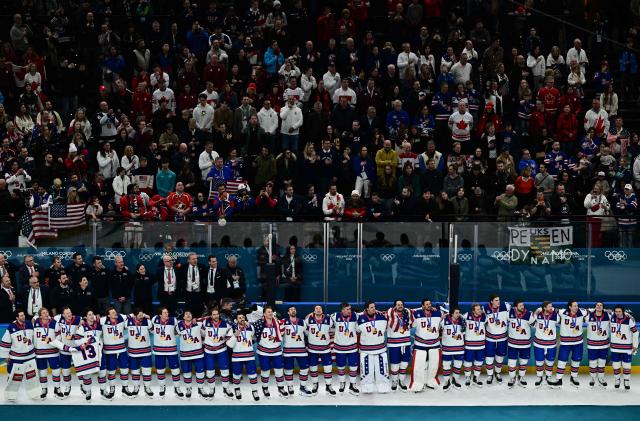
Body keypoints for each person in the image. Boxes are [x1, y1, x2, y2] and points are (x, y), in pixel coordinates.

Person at [0, 309, 40, 401]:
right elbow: (5, 343)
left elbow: (34, 337)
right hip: (16, 357)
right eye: (21, 316)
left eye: (23, 315)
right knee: (13, 377)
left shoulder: (29, 324)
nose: (23, 317)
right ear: (17, 317)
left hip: (30, 355)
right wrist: (6, 356)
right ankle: (10, 395)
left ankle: (34, 393)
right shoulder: (11, 327)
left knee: (32, 376)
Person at [549, 301, 588, 387]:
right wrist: (540, 309)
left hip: (578, 342)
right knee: (562, 361)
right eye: (574, 306)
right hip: (565, 343)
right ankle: (559, 379)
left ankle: (573, 378)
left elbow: (590, 311)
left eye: (577, 306)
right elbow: (552, 309)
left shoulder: (582, 312)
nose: (576, 307)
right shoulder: (563, 312)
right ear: (570, 307)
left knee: (576, 360)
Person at [252, 305, 286, 397]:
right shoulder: (259, 323)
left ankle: (281, 388)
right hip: (263, 352)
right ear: (264, 314)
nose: (270, 313)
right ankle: (265, 388)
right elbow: (252, 331)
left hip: (276, 351)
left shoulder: (278, 322)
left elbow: (282, 333)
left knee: (279, 370)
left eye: (271, 312)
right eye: (268, 312)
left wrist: (278, 322)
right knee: (265, 371)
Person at [357, 301, 390, 394]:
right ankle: (367, 388)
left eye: (374, 307)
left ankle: (383, 387)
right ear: (367, 309)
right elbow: (357, 330)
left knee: (382, 370)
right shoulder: (360, 318)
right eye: (371, 307)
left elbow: (394, 312)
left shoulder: (382, 316)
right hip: (366, 350)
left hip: (381, 349)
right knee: (367, 371)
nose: (374, 309)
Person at [409, 298, 442, 391]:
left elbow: (443, 322)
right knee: (418, 365)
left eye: (430, 304)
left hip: (435, 343)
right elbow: (408, 316)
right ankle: (418, 384)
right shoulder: (416, 313)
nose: (429, 305)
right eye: (426, 304)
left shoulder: (438, 313)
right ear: (422, 306)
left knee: (434, 365)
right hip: (420, 344)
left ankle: (431, 381)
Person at [150, 307, 183, 398]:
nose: (167, 314)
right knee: (160, 370)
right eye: (164, 313)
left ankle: (177, 388)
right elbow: (151, 329)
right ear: (160, 314)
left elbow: (178, 330)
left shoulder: (174, 320)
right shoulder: (154, 319)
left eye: (167, 312)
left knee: (175, 370)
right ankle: (162, 387)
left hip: (171, 350)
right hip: (159, 350)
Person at [227, 311, 260, 401]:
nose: (242, 319)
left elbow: (253, 336)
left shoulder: (250, 327)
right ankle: (237, 389)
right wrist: (234, 336)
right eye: (239, 318)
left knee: (253, 375)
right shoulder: (232, 329)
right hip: (237, 357)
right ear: (236, 320)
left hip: (249, 356)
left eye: (243, 317)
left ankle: (255, 391)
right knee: (236, 375)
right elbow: (229, 344)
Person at [32, 307, 63, 399]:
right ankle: (44, 389)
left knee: (56, 371)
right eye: (44, 313)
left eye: (47, 312)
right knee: (42, 372)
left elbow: (59, 335)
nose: (46, 314)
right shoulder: (35, 322)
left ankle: (57, 389)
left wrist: (53, 341)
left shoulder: (54, 322)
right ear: (40, 315)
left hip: (53, 351)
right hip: (40, 352)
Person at [202, 307, 233, 398]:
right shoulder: (205, 322)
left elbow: (230, 335)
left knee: (225, 370)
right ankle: (212, 389)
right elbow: (201, 332)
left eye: (217, 314)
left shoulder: (225, 324)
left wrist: (226, 339)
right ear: (211, 315)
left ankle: (226, 388)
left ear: (219, 315)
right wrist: (205, 341)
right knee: (210, 372)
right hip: (208, 351)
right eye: (214, 314)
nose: (216, 316)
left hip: (221, 350)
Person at [100, 307, 130, 398]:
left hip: (121, 349)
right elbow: (92, 319)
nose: (115, 314)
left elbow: (132, 315)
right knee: (111, 371)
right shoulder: (103, 320)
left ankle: (125, 388)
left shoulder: (121, 317)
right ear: (108, 315)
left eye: (115, 312)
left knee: (124, 369)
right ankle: (112, 388)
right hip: (109, 350)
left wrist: (144, 315)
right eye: (112, 313)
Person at [281, 306, 312, 396]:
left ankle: (302, 387)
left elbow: (308, 334)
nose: (293, 310)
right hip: (288, 350)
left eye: (294, 309)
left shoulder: (302, 322)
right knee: (288, 370)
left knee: (305, 369)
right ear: (288, 312)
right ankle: (290, 386)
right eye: (291, 309)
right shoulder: (283, 321)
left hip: (301, 350)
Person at [305, 305, 335, 395]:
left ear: (322, 310)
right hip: (312, 349)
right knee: (313, 367)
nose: (318, 310)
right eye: (316, 309)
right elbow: (305, 331)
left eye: (320, 308)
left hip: (325, 348)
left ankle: (328, 386)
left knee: (328, 368)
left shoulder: (328, 319)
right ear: (313, 311)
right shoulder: (308, 320)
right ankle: (315, 384)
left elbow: (334, 329)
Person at [176, 309, 206, 398]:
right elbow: (174, 333)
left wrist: (200, 329)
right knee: (186, 373)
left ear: (192, 316)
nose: (188, 315)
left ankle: (201, 389)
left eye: (190, 314)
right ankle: (188, 389)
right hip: (185, 354)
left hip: (198, 353)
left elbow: (205, 334)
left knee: (200, 373)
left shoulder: (199, 324)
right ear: (183, 317)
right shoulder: (178, 325)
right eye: (186, 314)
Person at [331, 302, 359, 395]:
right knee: (340, 368)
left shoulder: (355, 316)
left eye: (350, 309)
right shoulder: (335, 316)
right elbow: (325, 321)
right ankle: (342, 383)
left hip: (352, 347)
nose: (349, 311)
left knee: (353, 367)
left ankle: (353, 385)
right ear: (342, 310)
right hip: (339, 348)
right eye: (347, 309)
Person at [506, 300, 535, 388]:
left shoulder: (528, 314)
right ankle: (512, 378)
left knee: (523, 362)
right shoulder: (509, 313)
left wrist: (534, 315)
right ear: (515, 307)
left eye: (523, 305)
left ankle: (521, 377)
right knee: (511, 362)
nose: (522, 307)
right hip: (512, 343)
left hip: (525, 344)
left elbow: (534, 325)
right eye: (520, 305)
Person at [125, 309, 153, 397]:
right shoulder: (128, 322)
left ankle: (147, 388)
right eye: (139, 315)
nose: (141, 317)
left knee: (147, 370)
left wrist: (150, 319)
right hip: (133, 352)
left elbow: (153, 330)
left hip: (145, 351)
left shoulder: (147, 321)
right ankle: (136, 387)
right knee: (135, 371)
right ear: (135, 315)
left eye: (142, 315)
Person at [609, 305, 638, 390]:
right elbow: (603, 311)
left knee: (627, 366)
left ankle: (626, 381)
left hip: (626, 348)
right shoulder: (611, 318)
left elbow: (635, 333)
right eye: (616, 311)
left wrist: (635, 345)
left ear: (623, 312)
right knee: (616, 365)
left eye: (619, 311)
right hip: (615, 347)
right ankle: (617, 380)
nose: (617, 313)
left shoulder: (629, 320)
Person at [386, 299, 413, 391]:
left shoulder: (408, 313)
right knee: (394, 365)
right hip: (394, 344)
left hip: (405, 343)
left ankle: (401, 381)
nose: (400, 306)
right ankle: (394, 381)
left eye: (401, 304)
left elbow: (420, 310)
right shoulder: (389, 314)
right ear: (395, 306)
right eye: (398, 304)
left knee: (404, 364)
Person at [533, 301, 560, 387]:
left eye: (552, 307)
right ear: (544, 308)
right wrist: (536, 312)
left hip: (551, 343)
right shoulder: (538, 314)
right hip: (539, 343)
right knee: (539, 361)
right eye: (549, 307)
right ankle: (539, 377)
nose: (551, 308)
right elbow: (532, 320)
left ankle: (548, 377)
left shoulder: (556, 316)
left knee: (550, 362)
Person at [484, 294, 509, 384]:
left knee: (500, 357)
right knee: (489, 357)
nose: (498, 302)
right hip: (490, 338)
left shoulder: (505, 306)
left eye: (499, 300)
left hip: (502, 337)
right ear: (491, 301)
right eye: (496, 300)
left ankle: (497, 373)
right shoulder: (485, 308)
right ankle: (490, 375)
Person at [585, 302, 610, 387]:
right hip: (592, 344)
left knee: (602, 363)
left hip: (604, 344)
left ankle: (601, 378)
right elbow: (579, 313)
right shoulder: (589, 316)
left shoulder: (608, 316)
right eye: (597, 305)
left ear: (603, 307)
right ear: (595, 307)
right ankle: (592, 378)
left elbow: (619, 313)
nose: (599, 307)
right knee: (592, 362)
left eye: (601, 305)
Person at [462, 303, 486, 387]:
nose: (480, 311)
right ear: (473, 311)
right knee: (468, 362)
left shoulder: (484, 317)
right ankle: (467, 377)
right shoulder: (467, 315)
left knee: (479, 362)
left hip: (481, 344)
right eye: (478, 309)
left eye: (480, 309)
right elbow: (459, 319)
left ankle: (476, 378)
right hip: (469, 344)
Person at [440, 306, 464, 391]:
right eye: (456, 313)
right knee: (446, 366)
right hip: (447, 347)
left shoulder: (462, 320)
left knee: (458, 365)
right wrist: (441, 318)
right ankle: (447, 381)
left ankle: (455, 380)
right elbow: (438, 328)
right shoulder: (444, 320)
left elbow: (464, 332)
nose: (458, 314)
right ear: (452, 314)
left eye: (459, 312)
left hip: (459, 347)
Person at [180, 253, 206, 317]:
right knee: (189, 312)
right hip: (188, 294)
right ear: (188, 260)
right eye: (193, 259)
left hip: (199, 294)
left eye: (196, 258)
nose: (195, 260)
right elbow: (180, 280)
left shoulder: (202, 267)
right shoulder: (183, 267)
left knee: (199, 312)